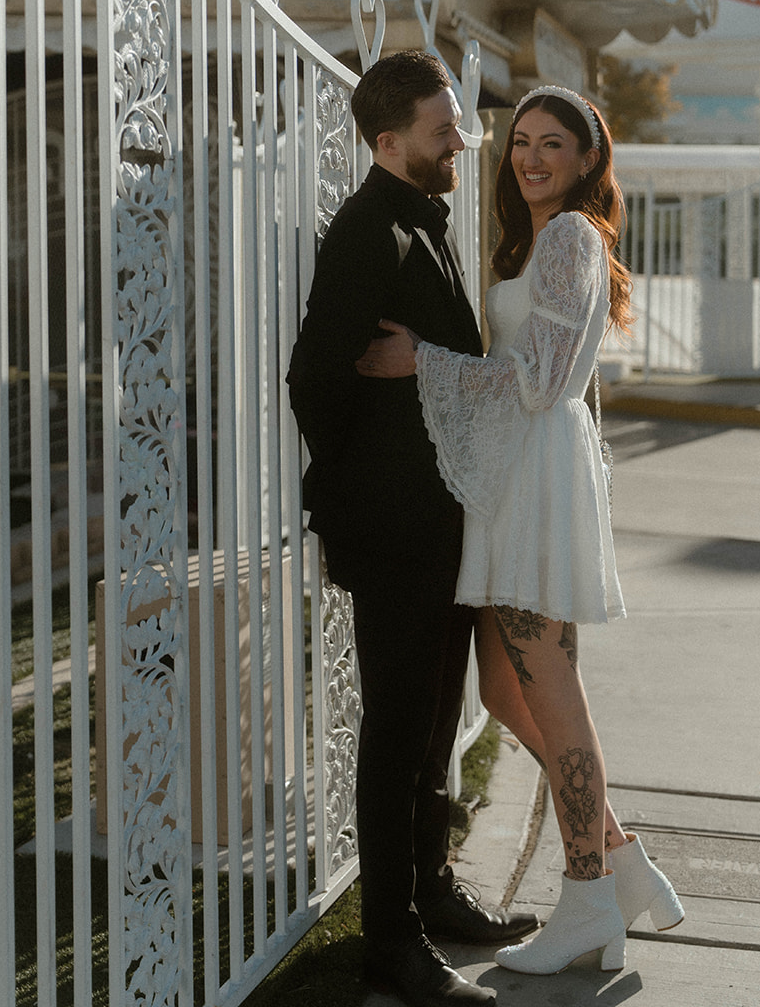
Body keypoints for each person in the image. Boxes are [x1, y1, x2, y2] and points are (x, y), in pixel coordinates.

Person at [358, 85, 685, 977]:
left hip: (539, 481)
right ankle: (618, 862)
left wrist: (418, 360)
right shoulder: (531, 242)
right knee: (507, 694)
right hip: (519, 478)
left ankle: (586, 896)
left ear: (587, 160)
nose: (532, 157)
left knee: (549, 688)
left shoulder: (574, 237)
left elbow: (537, 380)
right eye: (521, 143)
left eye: (554, 144)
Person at [287, 50, 537, 1007]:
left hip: (438, 523)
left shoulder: (421, 222)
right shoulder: (366, 234)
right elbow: (317, 378)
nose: (463, 140)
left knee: (435, 723)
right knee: (396, 734)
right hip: (394, 529)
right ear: (389, 144)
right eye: (445, 130)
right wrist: (366, 487)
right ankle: (389, 944)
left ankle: (432, 894)